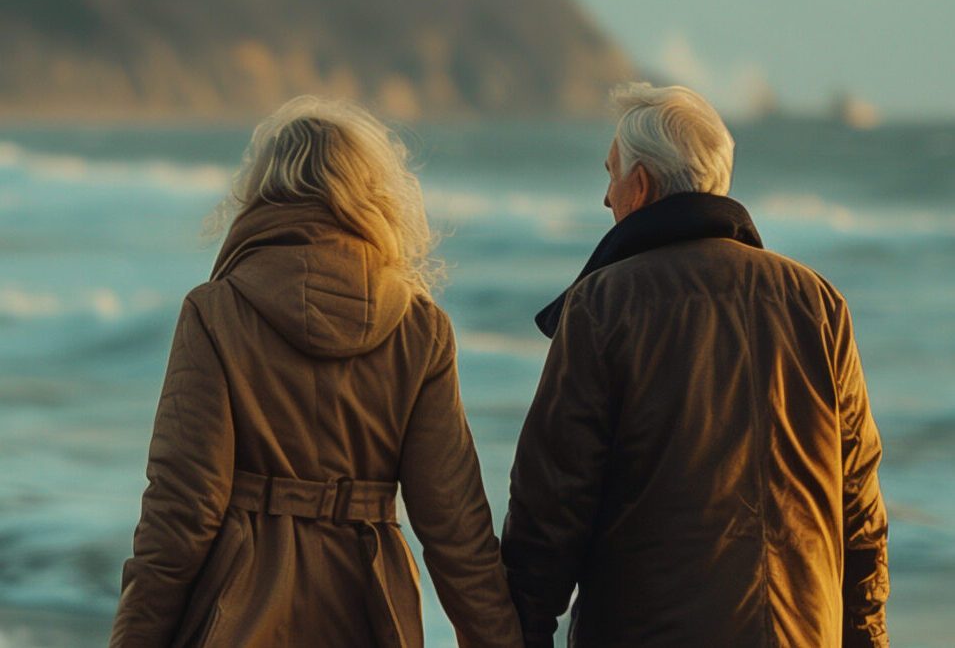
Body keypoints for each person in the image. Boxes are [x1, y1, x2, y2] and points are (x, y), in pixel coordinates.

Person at [110, 96, 523, 648]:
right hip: (371, 615)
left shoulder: (216, 311)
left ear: (262, 194)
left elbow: (182, 509)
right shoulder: (420, 328)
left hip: (241, 617)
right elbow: (456, 527)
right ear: (372, 197)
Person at [502, 82, 889, 648]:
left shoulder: (604, 304)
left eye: (610, 175)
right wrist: (868, 637)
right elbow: (859, 507)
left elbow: (551, 508)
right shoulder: (817, 303)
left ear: (641, 185)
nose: (605, 198)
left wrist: (521, 634)